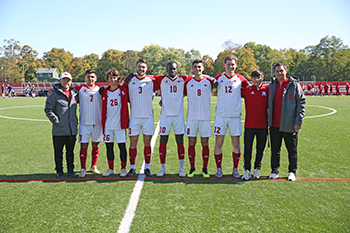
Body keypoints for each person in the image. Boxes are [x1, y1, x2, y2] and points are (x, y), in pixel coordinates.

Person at [121, 58, 160, 177]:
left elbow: (162, 90)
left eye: (143, 67)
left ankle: (147, 168)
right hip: (134, 117)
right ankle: (132, 168)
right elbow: (120, 89)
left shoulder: (152, 80)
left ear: (146, 68)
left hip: (148, 117)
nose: (141, 69)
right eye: (139, 67)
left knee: (147, 143)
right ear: (136, 67)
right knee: (133, 143)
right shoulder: (129, 79)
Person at [213, 55, 249, 178]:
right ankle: (219, 169)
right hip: (221, 116)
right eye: (228, 64)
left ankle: (235, 169)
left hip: (234, 117)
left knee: (236, 143)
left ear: (236, 65)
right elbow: (212, 91)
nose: (230, 66)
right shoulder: (218, 78)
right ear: (224, 65)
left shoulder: (241, 79)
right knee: (219, 142)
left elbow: (248, 91)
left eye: (232, 64)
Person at [268, 62, 305, 181]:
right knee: (275, 150)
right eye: (277, 71)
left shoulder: (294, 85)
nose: (279, 73)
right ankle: (274, 170)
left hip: (290, 124)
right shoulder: (272, 85)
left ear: (286, 71)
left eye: (281, 70)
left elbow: (301, 103)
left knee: (292, 150)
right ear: (274, 73)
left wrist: (298, 121)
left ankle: (292, 171)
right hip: (274, 124)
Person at [154, 61, 188, 177]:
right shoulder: (161, 79)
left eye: (174, 69)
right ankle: (162, 168)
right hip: (165, 116)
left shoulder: (183, 79)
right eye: (170, 69)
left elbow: (199, 75)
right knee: (163, 140)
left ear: (177, 69)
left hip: (178, 115)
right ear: (167, 70)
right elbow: (147, 77)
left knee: (180, 141)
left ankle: (181, 168)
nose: (172, 71)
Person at [44, 72, 79, 179]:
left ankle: (70, 170)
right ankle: (59, 172)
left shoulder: (75, 93)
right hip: (59, 130)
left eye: (68, 80)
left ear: (71, 81)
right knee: (58, 153)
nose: (66, 82)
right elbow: (48, 109)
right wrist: (56, 121)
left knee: (70, 152)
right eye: (64, 80)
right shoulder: (54, 94)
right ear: (60, 81)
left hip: (71, 129)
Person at [184, 59, 215, 178]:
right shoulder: (188, 82)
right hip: (191, 118)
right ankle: (192, 169)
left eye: (199, 67)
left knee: (205, 143)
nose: (197, 69)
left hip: (205, 119)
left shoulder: (209, 82)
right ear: (192, 69)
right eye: (195, 67)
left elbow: (217, 87)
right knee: (191, 143)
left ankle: (205, 169)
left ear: (203, 69)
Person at [74, 70, 103, 177]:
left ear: (96, 78)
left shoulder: (100, 89)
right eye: (88, 77)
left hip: (97, 123)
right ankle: (83, 168)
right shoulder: (80, 89)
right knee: (84, 145)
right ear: (85, 78)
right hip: (84, 123)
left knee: (96, 144)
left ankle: (93, 166)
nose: (90, 79)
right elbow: (65, 88)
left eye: (92, 77)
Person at [100, 69, 129, 177]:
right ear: (107, 79)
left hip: (120, 124)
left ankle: (123, 168)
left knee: (122, 147)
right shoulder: (104, 91)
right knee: (109, 147)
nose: (113, 80)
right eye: (110, 77)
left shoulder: (123, 90)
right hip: (108, 125)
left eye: (115, 77)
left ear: (118, 78)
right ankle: (111, 168)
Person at [241, 70, 268, 180]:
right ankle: (247, 170)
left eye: (258, 77)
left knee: (260, 149)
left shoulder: (267, 90)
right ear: (251, 78)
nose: (256, 80)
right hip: (249, 125)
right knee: (248, 149)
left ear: (262, 77)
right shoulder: (247, 90)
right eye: (254, 77)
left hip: (263, 126)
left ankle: (256, 169)